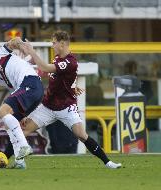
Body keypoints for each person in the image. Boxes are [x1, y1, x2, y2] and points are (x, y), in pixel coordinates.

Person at [18, 30, 121, 169]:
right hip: (48, 107)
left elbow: (44, 67)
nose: (52, 45)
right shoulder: (57, 58)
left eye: (54, 43)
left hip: (66, 107)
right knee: (23, 130)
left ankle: (108, 163)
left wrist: (32, 51)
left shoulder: (70, 62)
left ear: (62, 44)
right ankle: (10, 160)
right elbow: (62, 80)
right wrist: (71, 88)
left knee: (82, 136)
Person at [0, 38, 44, 168]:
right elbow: (16, 94)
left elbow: (14, 41)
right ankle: (19, 162)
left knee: (2, 112)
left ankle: (24, 145)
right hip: (33, 91)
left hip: (30, 83)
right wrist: (23, 115)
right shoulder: (2, 80)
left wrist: (22, 46)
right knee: (8, 125)